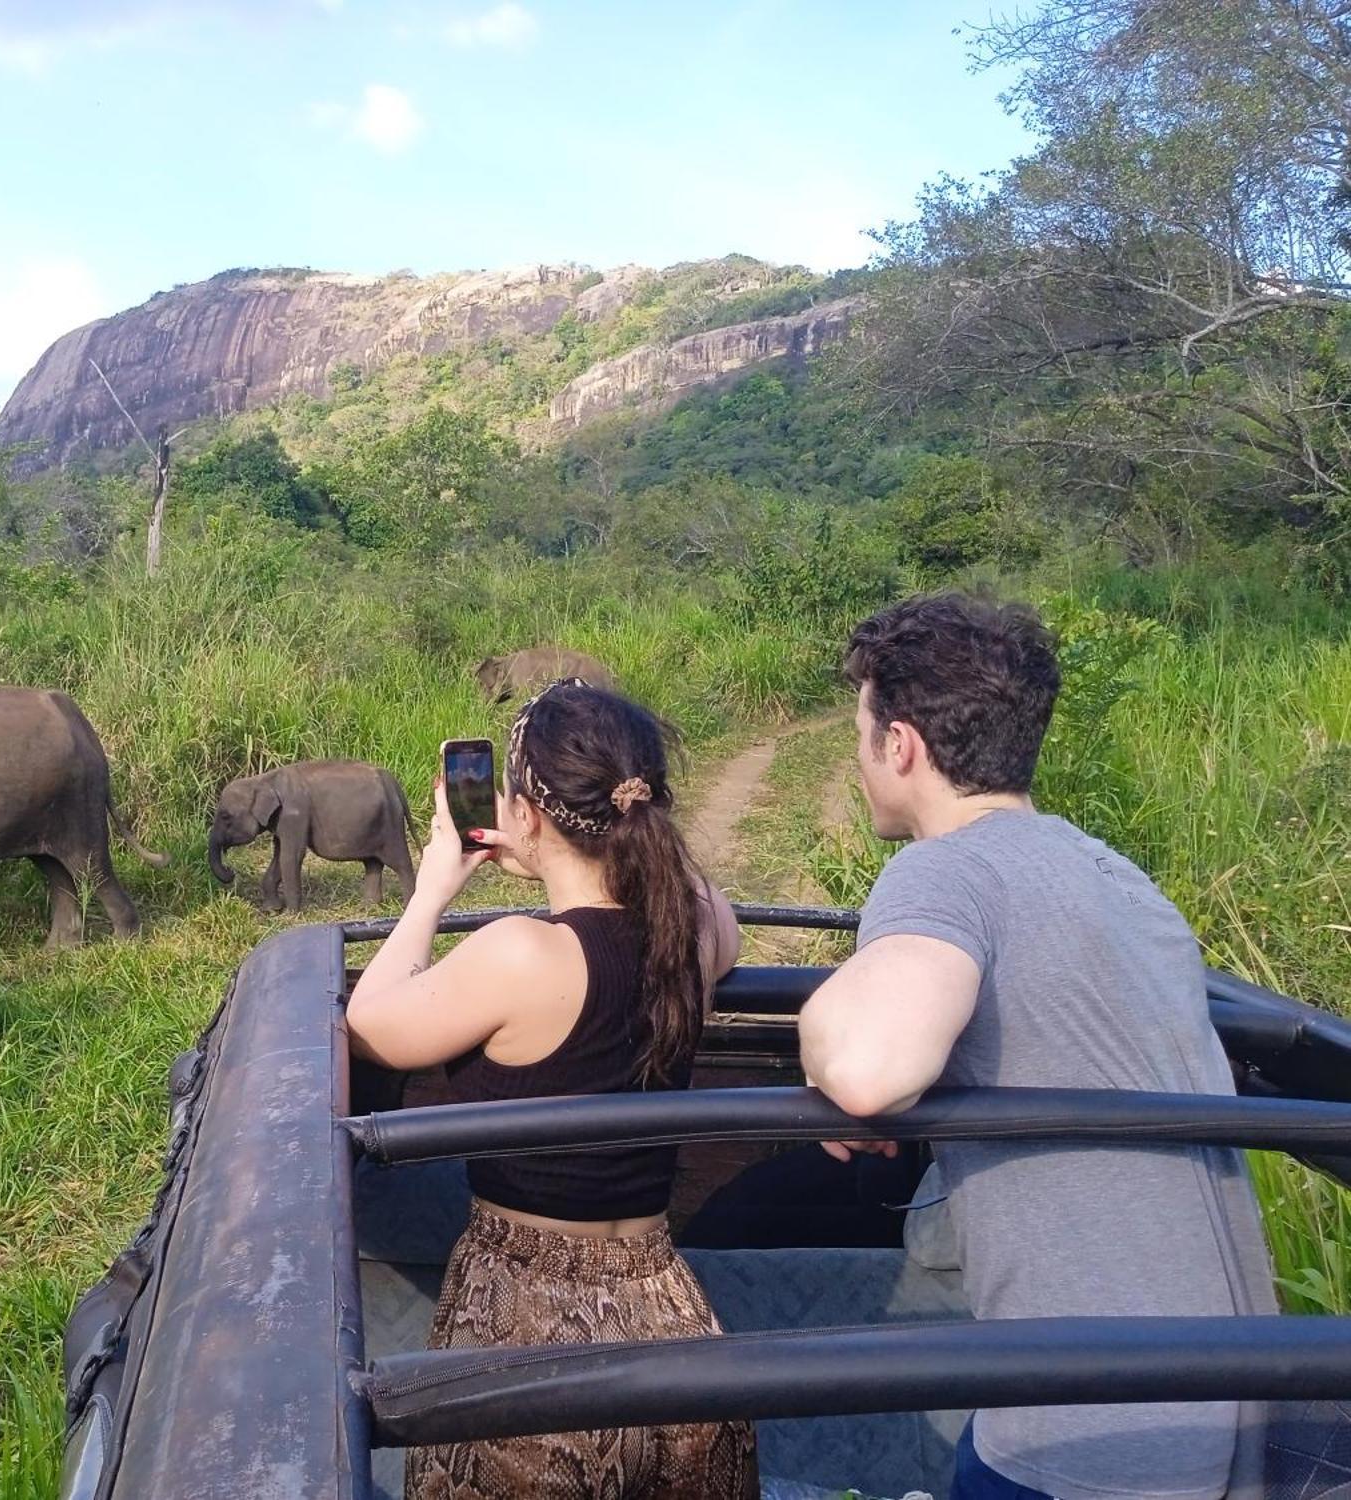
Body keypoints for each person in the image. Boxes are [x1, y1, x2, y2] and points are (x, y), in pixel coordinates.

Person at [797, 594, 1277, 1500]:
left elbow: (865, 1069)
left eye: (860, 733)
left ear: (899, 746)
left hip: (1085, 1435)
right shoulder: (1114, 875)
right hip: (1217, 1395)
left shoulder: (946, 868)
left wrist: (817, 1028)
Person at [346, 678, 757, 1500]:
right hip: (672, 1323)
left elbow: (372, 1020)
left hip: (523, 1321)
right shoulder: (694, 935)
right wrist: (563, 843)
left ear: (527, 812)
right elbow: (707, 903)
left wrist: (434, 886)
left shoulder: (522, 955)